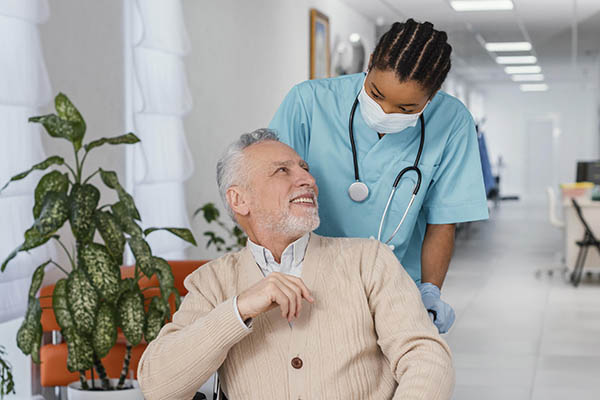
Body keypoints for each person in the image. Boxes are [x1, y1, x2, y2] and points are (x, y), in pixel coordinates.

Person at [137, 129, 455, 400]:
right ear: (239, 200)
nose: (308, 179)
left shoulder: (368, 260)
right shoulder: (212, 282)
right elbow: (158, 385)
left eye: (304, 168)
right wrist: (239, 309)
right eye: (282, 171)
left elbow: (425, 357)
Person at [269, 18, 489, 333]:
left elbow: (443, 220)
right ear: (369, 63)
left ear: (433, 95)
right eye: (375, 94)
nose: (385, 112)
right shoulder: (309, 102)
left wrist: (430, 290)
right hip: (306, 280)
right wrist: (279, 274)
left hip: (396, 285)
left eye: (406, 108)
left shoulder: (453, 122)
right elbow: (273, 193)